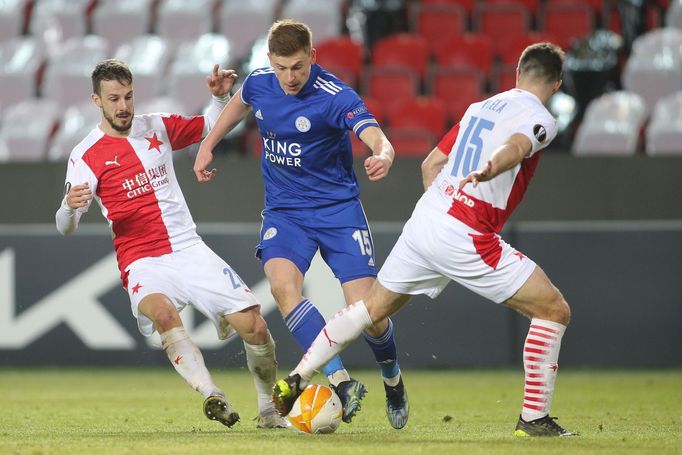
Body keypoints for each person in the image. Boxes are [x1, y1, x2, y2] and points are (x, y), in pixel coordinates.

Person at [272, 42, 578, 437]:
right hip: (468, 231)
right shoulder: (541, 117)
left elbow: (431, 162)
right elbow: (517, 147)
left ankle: (296, 376)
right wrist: (490, 169)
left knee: (370, 309)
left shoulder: (479, 108)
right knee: (554, 310)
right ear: (556, 84)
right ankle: (534, 419)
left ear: (517, 72)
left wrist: (441, 213)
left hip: (425, 220)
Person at [193, 19, 409, 429]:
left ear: (312, 57)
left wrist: (383, 153)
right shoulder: (261, 82)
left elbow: (375, 134)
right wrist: (208, 145)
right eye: (280, 67)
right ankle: (341, 381)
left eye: (296, 67)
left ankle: (392, 377)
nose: (288, 77)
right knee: (281, 286)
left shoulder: (335, 96)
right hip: (285, 212)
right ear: (270, 61)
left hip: (338, 212)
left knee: (370, 314)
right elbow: (240, 103)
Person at [55, 59, 288, 430]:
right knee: (163, 314)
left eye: (128, 96)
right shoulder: (84, 155)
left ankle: (269, 412)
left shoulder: (157, 126)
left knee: (255, 327)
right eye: (114, 98)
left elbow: (216, 126)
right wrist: (68, 207)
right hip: (141, 260)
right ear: (96, 101)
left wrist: (219, 98)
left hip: (187, 247)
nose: (123, 106)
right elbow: (65, 227)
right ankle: (213, 394)